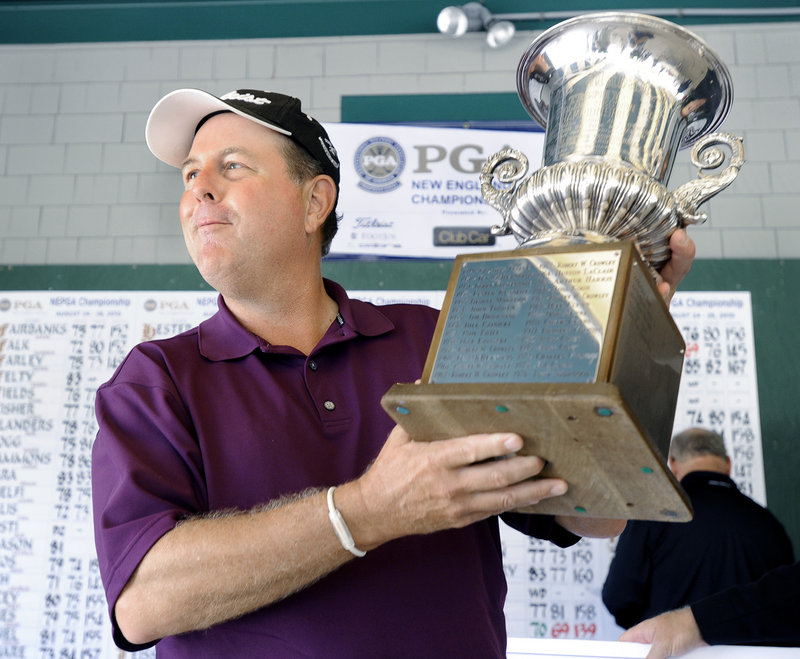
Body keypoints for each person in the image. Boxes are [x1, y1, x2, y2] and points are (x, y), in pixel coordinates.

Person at [91, 87, 694, 657]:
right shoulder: (156, 380)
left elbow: (596, 512)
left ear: (315, 202)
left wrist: (625, 330)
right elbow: (142, 603)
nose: (200, 190)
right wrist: (367, 510)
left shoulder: (433, 337)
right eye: (191, 173)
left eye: (233, 166)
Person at [602, 427, 794, 630]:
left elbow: (618, 597)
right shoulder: (769, 525)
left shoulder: (655, 515)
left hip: (670, 651)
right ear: (728, 464)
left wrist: (652, 629)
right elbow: (787, 604)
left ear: (673, 465)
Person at [619, 560, 800, 658]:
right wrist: (693, 623)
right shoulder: (765, 522)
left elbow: (618, 596)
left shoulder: (652, 523)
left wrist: (693, 623)